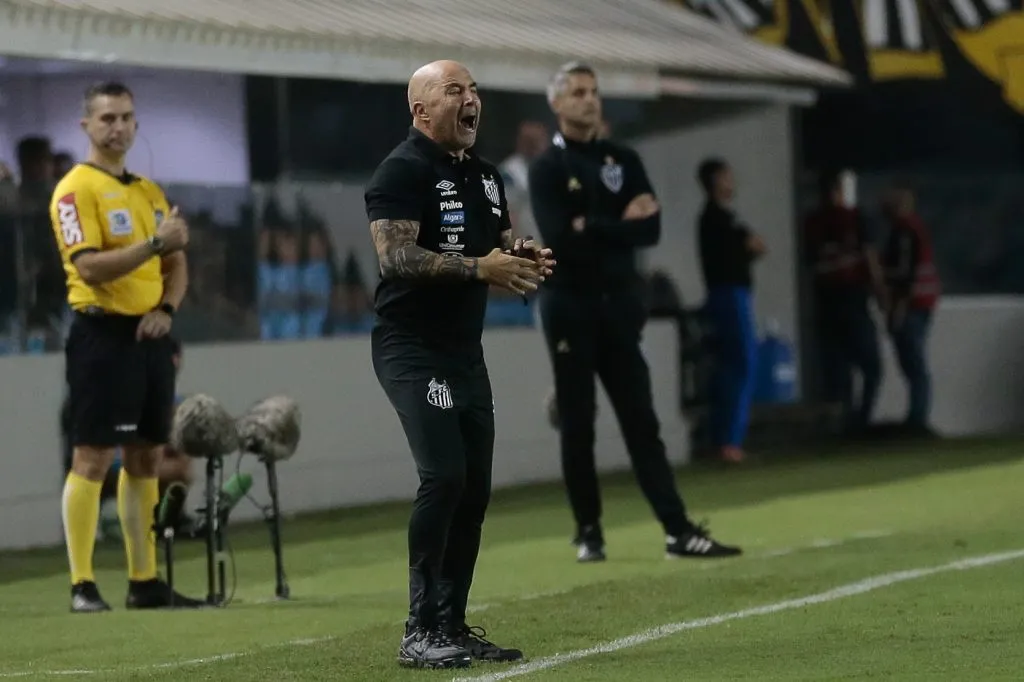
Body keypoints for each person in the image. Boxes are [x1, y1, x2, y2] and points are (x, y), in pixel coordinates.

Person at [364, 59, 554, 669]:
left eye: (473, 89)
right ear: (421, 110)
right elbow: (395, 258)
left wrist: (518, 256)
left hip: (464, 352)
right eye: (454, 90)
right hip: (411, 348)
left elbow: (494, 246)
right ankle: (418, 631)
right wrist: (480, 268)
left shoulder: (487, 177)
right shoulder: (400, 170)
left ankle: (451, 624)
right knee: (444, 476)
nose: (470, 99)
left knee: (472, 487)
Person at [528, 61, 741, 564]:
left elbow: (651, 229)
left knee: (641, 419)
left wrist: (592, 226)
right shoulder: (548, 168)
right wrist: (616, 223)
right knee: (578, 420)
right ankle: (588, 530)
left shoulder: (623, 159)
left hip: (618, 306)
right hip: (569, 305)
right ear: (557, 103)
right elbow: (560, 239)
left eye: (593, 91)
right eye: (578, 92)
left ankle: (677, 530)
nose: (588, 99)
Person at [51, 80, 204, 612]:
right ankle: (82, 584)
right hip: (101, 335)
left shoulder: (148, 191)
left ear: (136, 123)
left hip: (150, 335)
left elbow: (176, 265)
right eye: (107, 118)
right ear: (86, 126)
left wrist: (167, 310)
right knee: (92, 455)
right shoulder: (75, 189)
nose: (118, 127)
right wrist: (156, 243)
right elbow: (89, 267)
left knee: (147, 455)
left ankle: (144, 581)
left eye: (126, 117)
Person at [803, 171, 887, 433]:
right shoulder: (855, 218)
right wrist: (880, 294)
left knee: (839, 369)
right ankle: (858, 421)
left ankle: (846, 422)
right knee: (871, 366)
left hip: (828, 302)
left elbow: (810, 266)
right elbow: (870, 259)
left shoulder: (813, 223)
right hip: (850, 299)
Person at [696, 157, 766, 464]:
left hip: (728, 295)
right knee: (742, 363)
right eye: (726, 177)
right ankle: (729, 440)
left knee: (729, 366)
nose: (732, 182)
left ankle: (722, 439)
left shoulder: (724, 219)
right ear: (715, 181)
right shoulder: (717, 220)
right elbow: (747, 248)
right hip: (729, 296)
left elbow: (755, 246)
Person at [881, 184, 940, 435]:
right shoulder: (915, 228)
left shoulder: (904, 232)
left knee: (914, 364)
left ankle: (917, 419)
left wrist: (897, 308)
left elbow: (904, 274)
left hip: (912, 304)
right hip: (922, 302)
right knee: (914, 363)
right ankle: (917, 416)